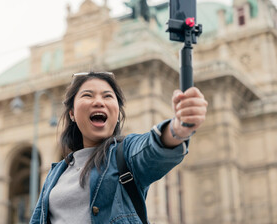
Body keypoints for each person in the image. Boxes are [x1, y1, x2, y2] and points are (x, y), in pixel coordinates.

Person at [30, 71, 208, 224]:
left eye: (107, 96)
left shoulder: (125, 154)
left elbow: (151, 149)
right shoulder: (55, 174)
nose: (99, 102)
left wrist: (178, 129)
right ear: (72, 114)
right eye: (88, 95)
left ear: (117, 114)